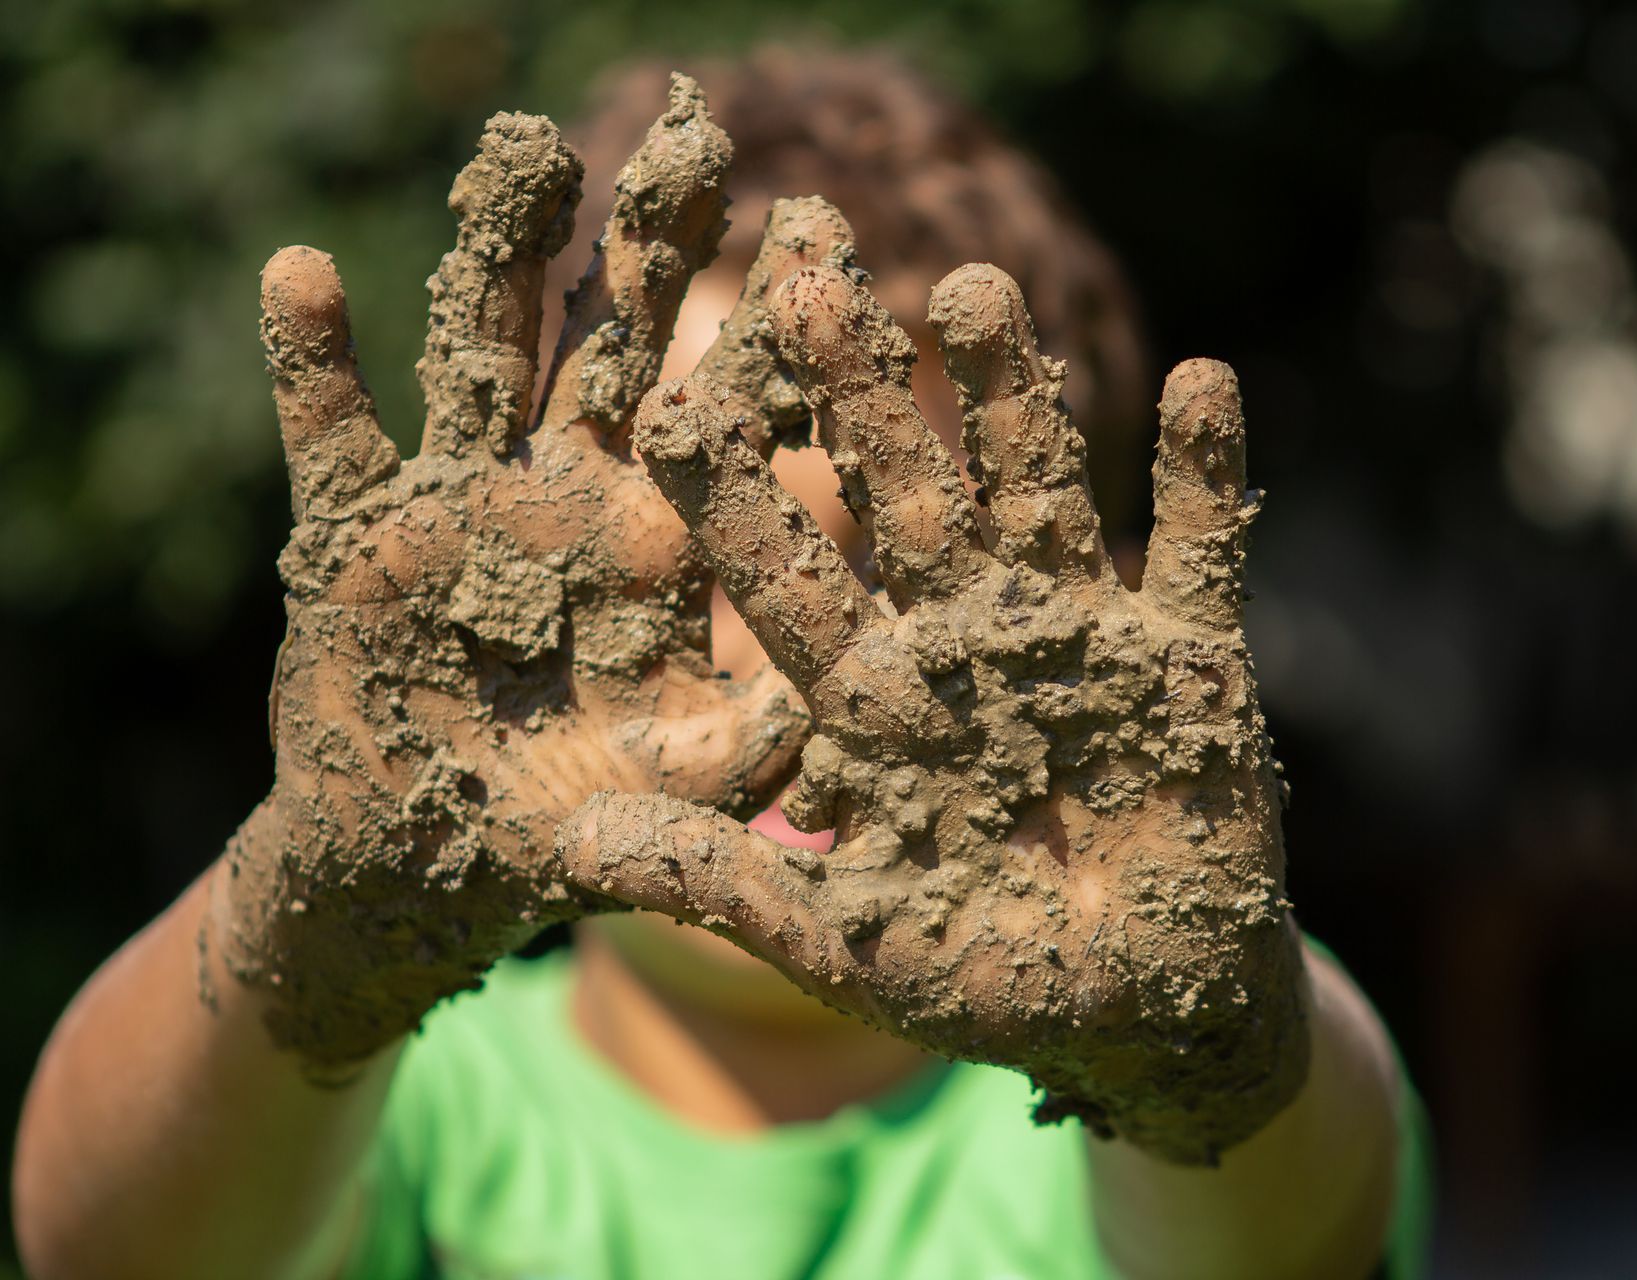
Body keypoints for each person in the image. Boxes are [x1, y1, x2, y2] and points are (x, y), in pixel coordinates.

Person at [12, 49, 1429, 1280]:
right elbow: (109, 1239)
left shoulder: (1124, 1091)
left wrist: (1191, 1058)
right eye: (693, 560)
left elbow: (1280, 1228)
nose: (786, 657)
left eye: (888, 569)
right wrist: (324, 928)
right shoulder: (400, 1100)